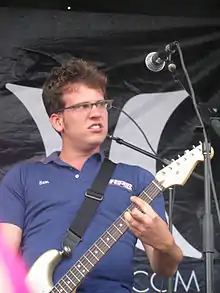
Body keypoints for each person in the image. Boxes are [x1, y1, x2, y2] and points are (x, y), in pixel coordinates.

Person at [0, 58, 183, 293]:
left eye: (100, 104)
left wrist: (166, 245)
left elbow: (165, 269)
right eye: (83, 106)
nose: (96, 113)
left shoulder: (138, 179)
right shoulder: (23, 177)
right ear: (58, 121)